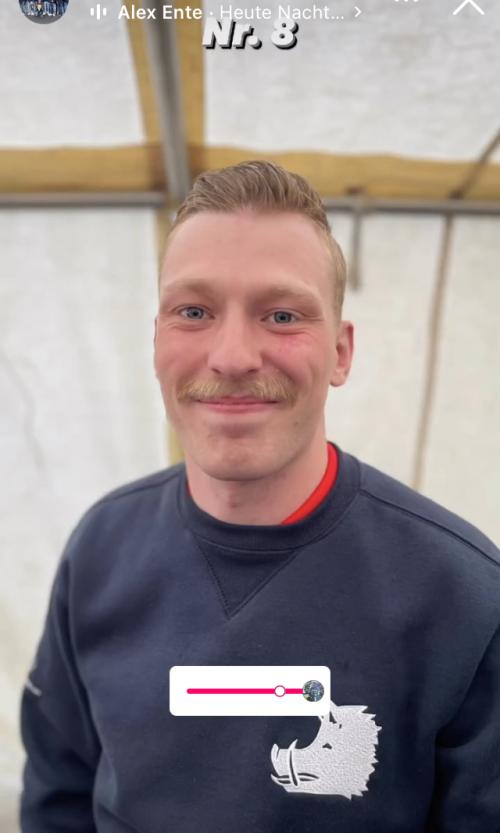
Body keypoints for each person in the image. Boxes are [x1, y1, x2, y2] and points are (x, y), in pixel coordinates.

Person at [19, 160, 500, 832]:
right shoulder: (100, 550)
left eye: (281, 315)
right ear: (156, 340)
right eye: (194, 312)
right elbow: (57, 791)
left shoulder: (462, 595)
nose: (234, 356)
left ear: (340, 351)